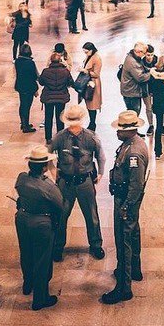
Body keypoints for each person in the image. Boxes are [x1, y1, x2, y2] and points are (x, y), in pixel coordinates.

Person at [101, 110, 149, 305]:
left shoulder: (134, 153)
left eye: (120, 130)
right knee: (133, 234)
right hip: (126, 199)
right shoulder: (130, 144)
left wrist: (126, 206)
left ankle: (123, 287)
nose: (117, 132)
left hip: (126, 201)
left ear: (130, 131)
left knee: (124, 241)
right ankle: (134, 269)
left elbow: (136, 185)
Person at [49, 104, 106, 261]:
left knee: (91, 215)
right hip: (65, 182)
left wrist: (100, 172)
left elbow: (100, 155)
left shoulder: (90, 137)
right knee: (61, 216)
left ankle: (96, 245)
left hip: (84, 181)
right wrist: (53, 170)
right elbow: (48, 153)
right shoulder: (60, 137)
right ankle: (58, 246)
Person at [14, 144, 64, 311]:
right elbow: (60, 205)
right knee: (42, 260)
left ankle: (27, 284)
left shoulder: (21, 178)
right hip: (41, 224)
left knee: (26, 253)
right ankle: (40, 299)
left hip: (22, 219)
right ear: (44, 167)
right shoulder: (48, 186)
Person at [38, 52, 74, 143]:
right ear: (60, 60)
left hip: (48, 97)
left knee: (48, 117)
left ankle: (48, 138)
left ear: (51, 61)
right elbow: (70, 82)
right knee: (60, 118)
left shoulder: (45, 71)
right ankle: (60, 137)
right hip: (61, 97)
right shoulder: (65, 71)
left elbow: (41, 82)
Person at [119, 42, 151, 115]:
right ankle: (133, 126)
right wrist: (151, 74)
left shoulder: (132, 56)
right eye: (144, 53)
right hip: (132, 93)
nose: (145, 55)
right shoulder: (132, 62)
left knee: (131, 113)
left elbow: (140, 67)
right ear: (139, 52)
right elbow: (140, 78)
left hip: (129, 91)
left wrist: (149, 69)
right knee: (134, 114)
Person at [14, 43, 39, 133]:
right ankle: (26, 126)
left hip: (20, 85)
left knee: (22, 104)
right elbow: (34, 76)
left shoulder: (17, 61)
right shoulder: (30, 63)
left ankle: (23, 123)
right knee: (27, 106)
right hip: (29, 87)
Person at [81, 41, 102, 130]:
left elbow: (96, 74)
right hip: (88, 82)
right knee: (89, 103)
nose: (85, 53)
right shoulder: (89, 56)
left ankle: (92, 123)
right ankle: (92, 122)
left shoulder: (97, 58)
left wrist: (86, 71)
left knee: (92, 104)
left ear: (91, 50)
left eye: (86, 52)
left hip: (93, 84)